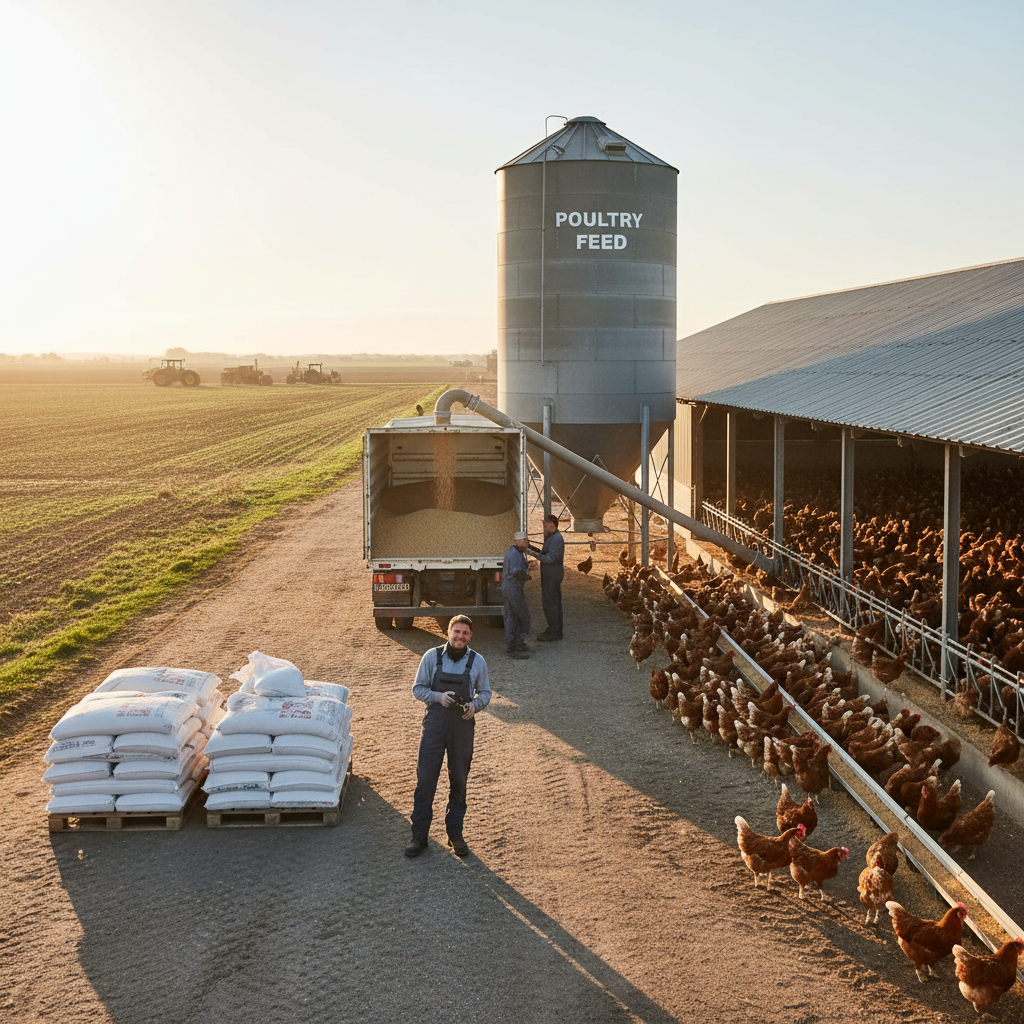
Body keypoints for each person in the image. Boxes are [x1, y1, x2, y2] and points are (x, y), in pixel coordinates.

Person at [405, 615, 491, 858]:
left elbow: (485, 692)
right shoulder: (431, 657)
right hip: (434, 726)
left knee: (459, 781)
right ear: (448, 633)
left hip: (462, 728)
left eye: (465, 633)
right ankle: (419, 836)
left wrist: (475, 706)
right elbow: (417, 688)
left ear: (470, 636)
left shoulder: (478, 661)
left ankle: (455, 835)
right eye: (456, 632)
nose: (460, 637)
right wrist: (438, 697)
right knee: (425, 781)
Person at [529, 514, 564, 640]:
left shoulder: (556, 539)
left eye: (546, 524)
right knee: (554, 602)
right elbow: (545, 553)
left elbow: (550, 558)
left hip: (552, 576)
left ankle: (555, 632)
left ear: (553, 525)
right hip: (552, 575)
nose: (544, 526)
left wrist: (531, 553)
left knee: (550, 603)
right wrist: (531, 547)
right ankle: (555, 629)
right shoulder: (553, 537)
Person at [501, 530, 532, 658]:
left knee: (511, 615)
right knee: (523, 616)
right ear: (518, 542)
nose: (527, 544)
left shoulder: (514, 552)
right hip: (513, 587)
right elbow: (516, 572)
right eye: (526, 541)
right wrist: (527, 576)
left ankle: (511, 645)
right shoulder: (515, 554)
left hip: (508, 587)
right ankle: (517, 645)